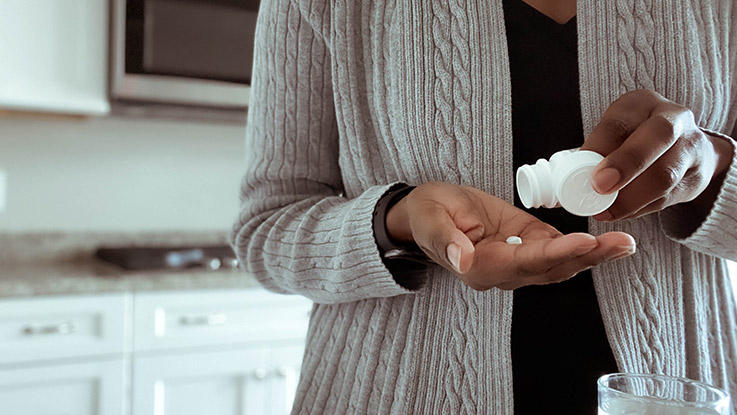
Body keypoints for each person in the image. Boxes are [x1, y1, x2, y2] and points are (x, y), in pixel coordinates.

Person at [230, 0, 737, 413]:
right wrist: (399, 222)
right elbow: (265, 231)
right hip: (393, 395)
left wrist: (713, 168)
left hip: (675, 392)